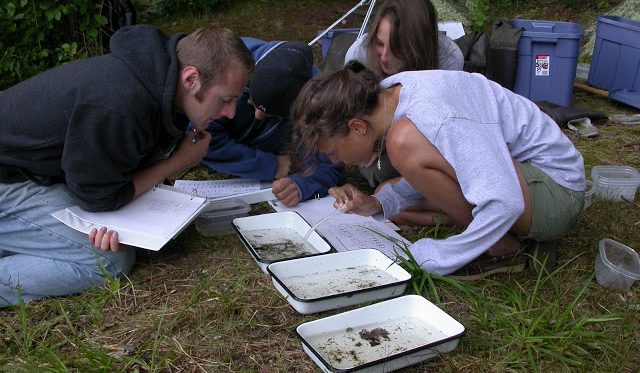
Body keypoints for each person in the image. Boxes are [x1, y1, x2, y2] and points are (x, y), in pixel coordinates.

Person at [0, 24, 254, 307]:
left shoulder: (156, 83)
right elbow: (98, 196)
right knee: (109, 261)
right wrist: (178, 162)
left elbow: (115, 173)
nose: (230, 113)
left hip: (36, 174)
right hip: (9, 180)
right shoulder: (121, 104)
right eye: (226, 100)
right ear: (191, 78)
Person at [290, 62, 585, 278]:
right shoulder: (392, 94)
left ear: (357, 127)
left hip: (556, 192)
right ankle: (499, 237)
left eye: (333, 152)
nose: (338, 161)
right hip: (522, 177)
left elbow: (505, 200)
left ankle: (503, 250)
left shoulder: (427, 115)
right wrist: (379, 203)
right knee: (393, 181)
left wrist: (435, 256)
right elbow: (454, 160)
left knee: (402, 143)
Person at [201, 38, 342, 207]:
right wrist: (270, 165)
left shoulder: (316, 99)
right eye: (252, 103)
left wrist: (301, 186)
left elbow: (331, 161)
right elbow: (203, 139)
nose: (258, 115)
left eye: (272, 113)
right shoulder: (226, 69)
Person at [344, 0, 464, 194]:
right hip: (376, 136)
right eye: (380, 44)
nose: (384, 57)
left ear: (419, 45)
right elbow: (354, 113)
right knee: (376, 171)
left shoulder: (449, 58)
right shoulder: (359, 54)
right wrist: (372, 143)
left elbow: (445, 120)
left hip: (426, 134)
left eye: (397, 49)